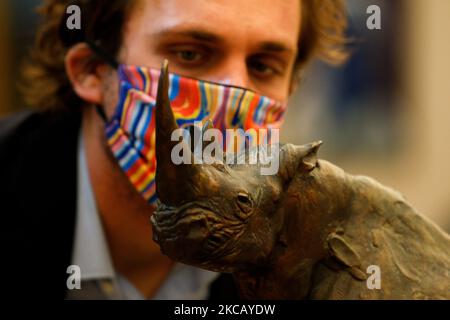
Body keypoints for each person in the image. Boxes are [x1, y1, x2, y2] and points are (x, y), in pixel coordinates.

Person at [0, 0, 348, 299]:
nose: (235, 95)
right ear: (92, 71)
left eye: (262, 66)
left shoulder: (312, 268)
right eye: (190, 53)